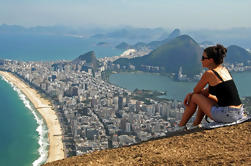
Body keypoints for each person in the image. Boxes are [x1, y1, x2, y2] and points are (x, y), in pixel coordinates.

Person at [178, 44, 244, 130]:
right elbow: (206, 92)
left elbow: (196, 91)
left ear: (210, 60)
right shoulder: (224, 70)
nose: (201, 60)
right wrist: (191, 94)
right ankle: (195, 125)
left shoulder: (209, 74)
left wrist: (190, 95)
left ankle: (180, 127)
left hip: (227, 115)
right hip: (239, 112)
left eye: (203, 58)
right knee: (201, 96)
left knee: (194, 97)